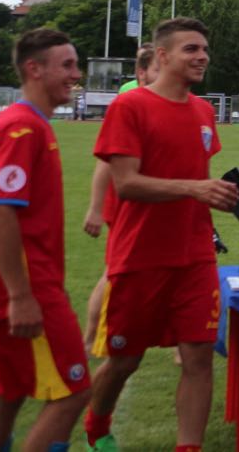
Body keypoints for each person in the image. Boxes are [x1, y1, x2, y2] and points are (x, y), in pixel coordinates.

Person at [85, 17, 239, 452]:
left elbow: (196, 178)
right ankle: (97, 425)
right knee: (124, 358)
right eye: (190, 49)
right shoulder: (130, 108)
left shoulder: (204, 111)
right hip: (139, 255)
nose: (202, 56)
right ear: (162, 56)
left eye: (204, 48)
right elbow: (126, 183)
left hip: (195, 257)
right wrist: (194, 188)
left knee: (199, 358)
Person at [0, 29, 89, 452]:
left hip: (13, 287)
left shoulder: (32, 125)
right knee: (74, 392)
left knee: (7, 394)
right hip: (27, 288)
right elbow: (0, 211)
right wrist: (21, 296)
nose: (76, 75)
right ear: (33, 69)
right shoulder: (22, 128)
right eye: (67, 65)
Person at [82, 43, 159, 354]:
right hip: (127, 200)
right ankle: (89, 336)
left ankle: (183, 345)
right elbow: (106, 161)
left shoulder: (173, 101)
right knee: (115, 271)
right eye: (157, 68)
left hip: (157, 200)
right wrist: (95, 208)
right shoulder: (129, 102)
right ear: (142, 73)